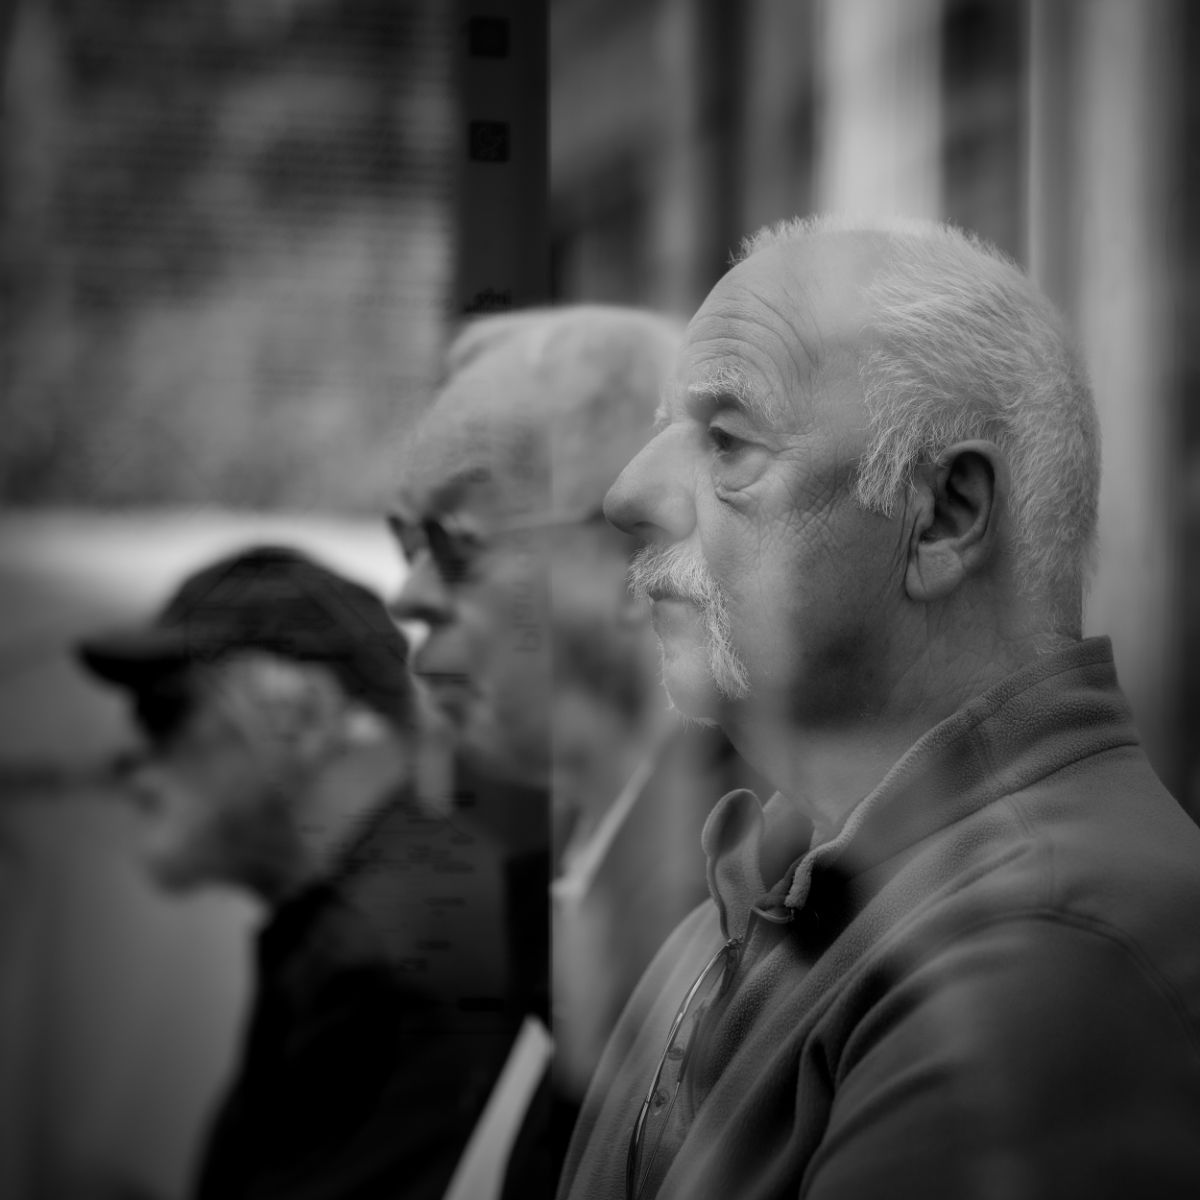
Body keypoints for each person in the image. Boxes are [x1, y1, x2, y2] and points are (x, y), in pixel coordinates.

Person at [557, 215, 1200, 1200]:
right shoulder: (771, 897)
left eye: (726, 441)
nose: (629, 494)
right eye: (664, 434)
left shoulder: (1046, 950)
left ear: (942, 515)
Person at [388, 306, 761, 1177]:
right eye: (405, 541)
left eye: (453, 539)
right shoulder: (549, 892)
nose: (407, 594)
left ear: (646, 551)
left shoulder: (749, 915)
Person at [76, 545, 503, 1200]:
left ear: (302, 713)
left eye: (162, 712)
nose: (130, 765)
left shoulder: (404, 955)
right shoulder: (370, 925)